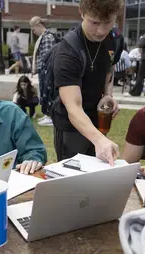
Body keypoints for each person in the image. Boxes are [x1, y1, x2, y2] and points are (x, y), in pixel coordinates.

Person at [52, 0, 124, 165]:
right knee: (73, 177)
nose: (101, 31)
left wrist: (107, 94)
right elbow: (73, 108)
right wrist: (99, 140)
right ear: (81, 12)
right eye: (95, 22)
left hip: (97, 118)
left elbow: (109, 66)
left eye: (108, 22)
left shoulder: (115, 38)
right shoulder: (67, 51)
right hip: (71, 125)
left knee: (97, 173)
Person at [30, 16, 57, 127]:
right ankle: (47, 114)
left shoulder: (47, 38)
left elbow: (48, 57)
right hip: (43, 71)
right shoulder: (43, 37)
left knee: (49, 93)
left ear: (38, 25)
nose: (33, 31)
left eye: (33, 28)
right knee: (44, 93)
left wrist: (45, 71)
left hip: (47, 71)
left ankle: (51, 116)